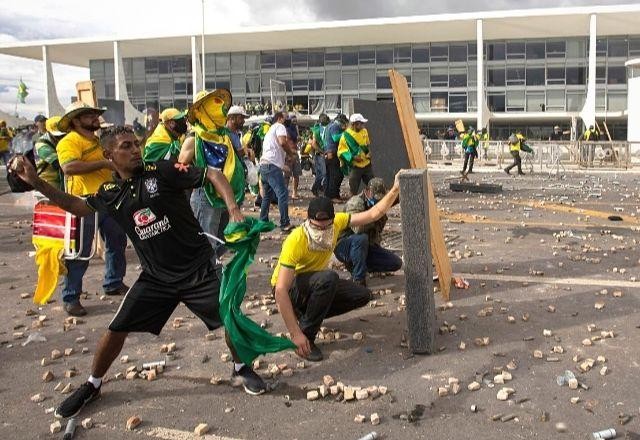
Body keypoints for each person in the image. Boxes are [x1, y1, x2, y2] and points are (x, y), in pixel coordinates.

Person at [9, 126, 269, 419]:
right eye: (126, 146)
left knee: (230, 318)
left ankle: (240, 368)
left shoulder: (163, 170)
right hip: (157, 278)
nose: (135, 150)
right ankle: (92, 384)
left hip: (198, 269)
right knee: (116, 329)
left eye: (136, 144)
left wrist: (233, 209)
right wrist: (34, 181)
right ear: (109, 155)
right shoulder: (110, 192)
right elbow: (75, 206)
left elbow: (211, 174)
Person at [271, 175, 401, 362]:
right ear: (308, 221)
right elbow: (280, 289)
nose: (322, 232)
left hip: (313, 284)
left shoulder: (339, 222)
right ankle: (306, 337)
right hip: (290, 290)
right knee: (328, 278)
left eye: (326, 227)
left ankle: (307, 315)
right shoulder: (296, 240)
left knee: (362, 294)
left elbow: (373, 214)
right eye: (317, 227)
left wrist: (395, 188)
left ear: (333, 220)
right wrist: (294, 334)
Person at [56, 101, 128, 316]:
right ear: (76, 121)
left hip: (107, 198)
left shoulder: (97, 141)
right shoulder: (70, 141)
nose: (95, 118)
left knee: (117, 240)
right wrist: (104, 165)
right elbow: (69, 167)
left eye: (96, 115)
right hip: (83, 202)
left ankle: (113, 281)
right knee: (80, 251)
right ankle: (71, 296)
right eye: (89, 115)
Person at [179, 89, 246, 267]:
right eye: (213, 103)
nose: (220, 108)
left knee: (224, 237)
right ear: (202, 110)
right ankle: (205, 277)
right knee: (206, 239)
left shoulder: (223, 136)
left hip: (225, 194)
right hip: (205, 195)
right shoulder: (194, 137)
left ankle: (208, 267)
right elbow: (181, 167)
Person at [334, 178, 402, 286]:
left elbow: (376, 233)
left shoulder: (376, 203)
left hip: (365, 246)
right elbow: (358, 229)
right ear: (367, 192)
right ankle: (358, 280)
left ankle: (360, 265)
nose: (378, 201)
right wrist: (375, 214)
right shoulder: (355, 203)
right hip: (345, 245)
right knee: (361, 239)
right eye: (376, 198)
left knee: (395, 263)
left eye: (381, 199)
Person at [258, 111, 296, 232]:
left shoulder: (270, 130)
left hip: (264, 166)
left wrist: (282, 164)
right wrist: (291, 154)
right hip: (271, 166)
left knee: (267, 196)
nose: (288, 120)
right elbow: (282, 142)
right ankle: (285, 223)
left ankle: (263, 221)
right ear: (279, 118)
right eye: (286, 118)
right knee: (282, 193)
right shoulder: (280, 126)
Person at [338, 113, 374, 196]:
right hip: (355, 167)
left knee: (373, 185)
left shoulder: (364, 131)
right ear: (354, 124)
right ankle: (353, 204)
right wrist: (353, 157)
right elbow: (341, 152)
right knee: (353, 188)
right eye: (361, 123)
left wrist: (369, 152)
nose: (363, 125)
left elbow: (366, 144)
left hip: (367, 165)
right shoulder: (345, 136)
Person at [34, 115, 65, 189]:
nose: (60, 138)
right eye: (57, 136)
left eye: (63, 135)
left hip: (61, 179)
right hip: (48, 182)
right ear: (48, 132)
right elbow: (58, 164)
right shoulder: (41, 145)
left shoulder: (61, 141)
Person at [324, 114, 348, 202]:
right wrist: (346, 132)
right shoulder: (335, 126)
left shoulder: (329, 126)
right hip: (333, 154)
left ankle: (330, 195)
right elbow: (335, 138)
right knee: (336, 175)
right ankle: (333, 196)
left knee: (330, 176)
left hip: (328, 154)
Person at [310, 113, 329, 197]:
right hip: (320, 155)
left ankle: (318, 189)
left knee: (321, 174)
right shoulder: (317, 129)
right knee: (323, 174)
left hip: (322, 154)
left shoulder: (326, 128)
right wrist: (322, 152)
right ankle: (316, 188)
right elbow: (313, 144)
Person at [283, 114, 302, 200]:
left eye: (295, 121)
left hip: (295, 152)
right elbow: (286, 141)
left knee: (296, 174)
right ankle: (284, 193)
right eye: (293, 121)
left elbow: (297, 139)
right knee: (286, 175)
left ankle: (294, 192)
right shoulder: (286, 130)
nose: (294, 122)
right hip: (289, 153)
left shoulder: (295, 129)